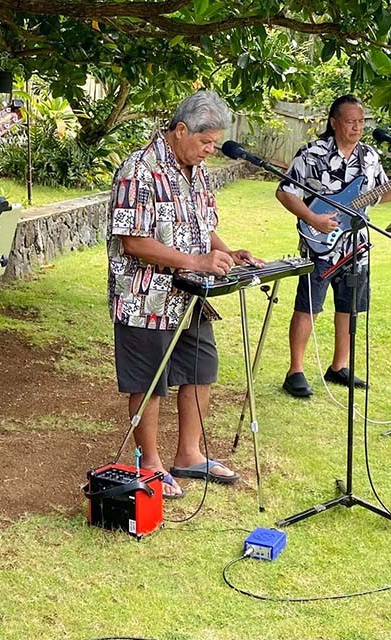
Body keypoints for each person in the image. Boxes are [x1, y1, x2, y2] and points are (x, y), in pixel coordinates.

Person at [107, 90, 263, 499]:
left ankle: (189, 454)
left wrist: (228, 253)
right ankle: (150, 463)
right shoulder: (139, 170)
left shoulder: (197, 169)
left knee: (200, 368)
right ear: (180, 130)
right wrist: (196, 261)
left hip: (190, 295)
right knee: (149, 380)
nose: (211, 150)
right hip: (145, 297)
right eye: (206, 141)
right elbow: (132, 241)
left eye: (214, 143)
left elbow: (203, 227)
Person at [275, 94, 391, 398]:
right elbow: (285, 192)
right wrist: (312, 218)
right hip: (319, 243)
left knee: (350, 307)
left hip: (356, 245)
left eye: (361, 121)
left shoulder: (370, 156)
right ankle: (295, 370)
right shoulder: (312, 154)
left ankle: (339, 366)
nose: (357, 127)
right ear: (334, 122)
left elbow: (379, 194)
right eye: (351, 121)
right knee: (308, 305)